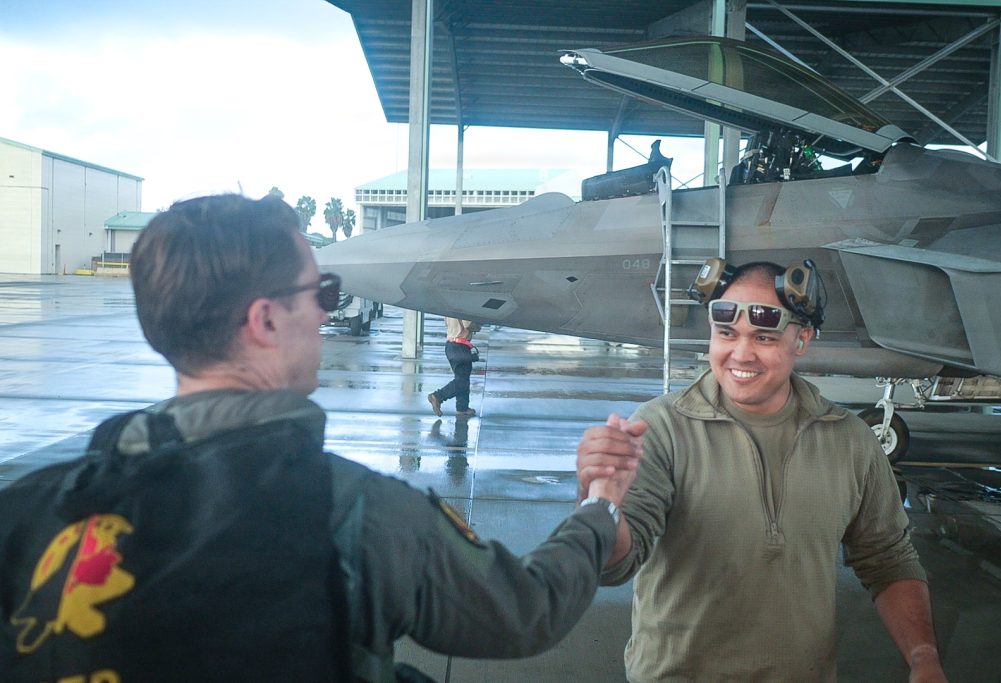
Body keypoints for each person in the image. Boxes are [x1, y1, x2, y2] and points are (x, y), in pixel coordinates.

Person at [0, 194, 643, 683]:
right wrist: (597, 509)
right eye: (323, 292)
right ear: (265, 319)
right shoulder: (359, 515)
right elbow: (526, 611)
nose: (328, 312)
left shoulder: (29, 510)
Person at [577, 260, 947, 682]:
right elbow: (615, 563)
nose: (741, 353)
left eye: (764, 337)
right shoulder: (661, 427)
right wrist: (597, 501)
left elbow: (889, 560)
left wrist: (923, 657)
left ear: (802, 339)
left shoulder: (850, 441)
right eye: (726, 334)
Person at [427, 317, 480, 417]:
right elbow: (468, 324)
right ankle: (437, 396)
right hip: (460, 346)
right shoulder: (463, 306)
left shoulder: (450, 307)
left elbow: (446, 323)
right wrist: (478, 326)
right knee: (462, 381)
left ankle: (462, 408)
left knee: (462, 378)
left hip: (451, 345)